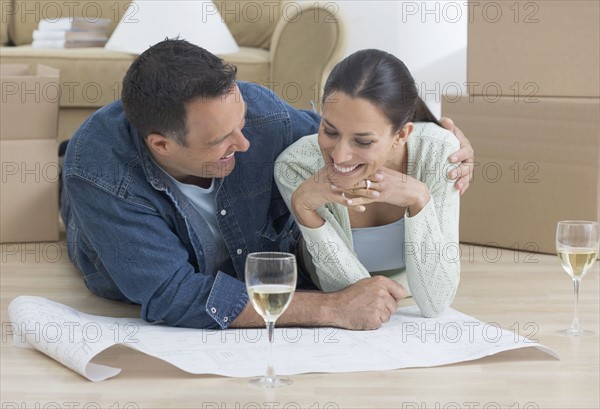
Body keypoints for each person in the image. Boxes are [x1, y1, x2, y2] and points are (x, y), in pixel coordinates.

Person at [61, 39, 473, 330]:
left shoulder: (263, 117)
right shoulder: (100, 173)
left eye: (239, 124)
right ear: (161, 144)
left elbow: (349, 132)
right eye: (220, 141)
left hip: (241, 253)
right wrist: (330, 308)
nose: (243, 143)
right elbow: (173, 294)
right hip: (102, 223)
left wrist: (440, 137)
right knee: (73, 192)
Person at [275, 49, 461, 318]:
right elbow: (344, 293)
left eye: (362, 141)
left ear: (402, 135)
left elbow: (436, 301)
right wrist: (303, 209)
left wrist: (420, 198)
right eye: (329, 131)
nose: (339, 155)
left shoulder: (439, 152)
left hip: (408, 305)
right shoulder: (296, 165)